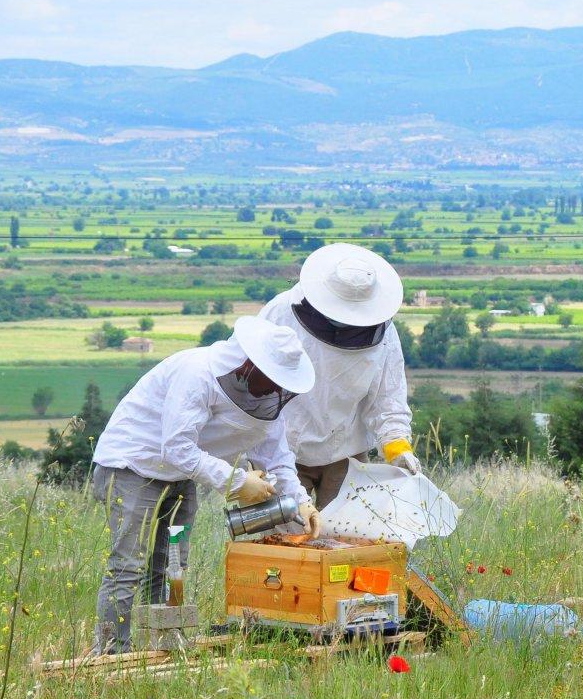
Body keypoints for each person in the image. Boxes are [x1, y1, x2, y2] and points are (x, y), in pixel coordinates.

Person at [89, 316, 318, 653]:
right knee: (129, 564)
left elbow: (276, 457)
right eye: (271, 380)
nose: (273, 390)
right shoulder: (197, 373)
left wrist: (301, 500)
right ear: (249, 365)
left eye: (280, 384)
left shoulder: (268, 402)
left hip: (181, 480)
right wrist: (237, 482)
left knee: (173, 565)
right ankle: (111, 652)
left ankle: (166, 644)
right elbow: (176, 447)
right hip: (132, 469)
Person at [259, 243, 418, 507]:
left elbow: (388, 397)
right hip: (282, 451)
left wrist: (397, 446)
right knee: (279, 538)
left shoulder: (384, 332)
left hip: (346, 454)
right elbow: (251, 380)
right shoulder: (280, 313)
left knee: (342, 538)